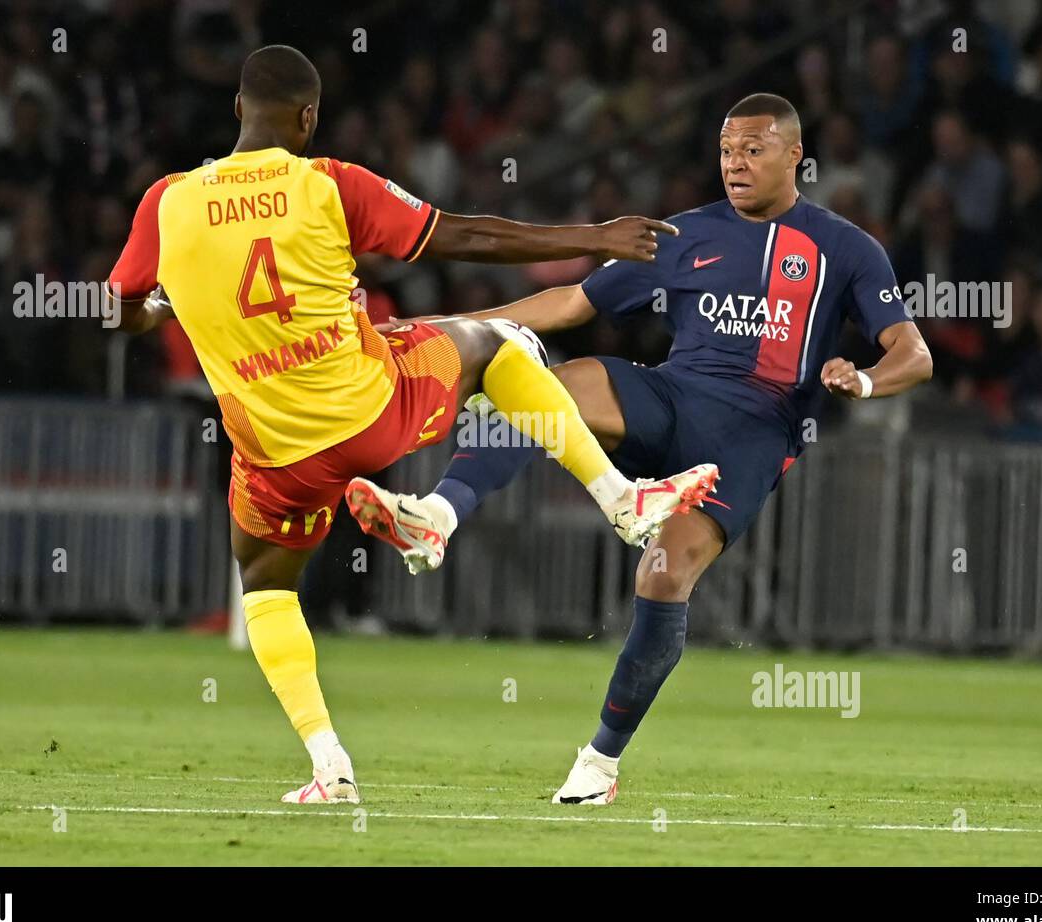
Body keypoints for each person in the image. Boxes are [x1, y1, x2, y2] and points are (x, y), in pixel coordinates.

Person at [103, 46, 715, 804]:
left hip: (273, 450)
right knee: (503, 343)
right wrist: (593, 236)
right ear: (309, 118)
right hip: (370, 414)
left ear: (236, 110)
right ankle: (617, 499)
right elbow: (467, 236)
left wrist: (157, 309)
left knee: (264, 583)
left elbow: (117, 307)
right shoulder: (331, 184)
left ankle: (330, 766)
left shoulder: (167, 201)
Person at [353, 93, 933, 804]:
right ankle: (437, 516)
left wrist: (867, 381)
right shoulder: (684, 233)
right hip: (669, 398)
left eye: (753, 149)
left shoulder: (845, 248)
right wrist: (440, 326)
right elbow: (570, 304)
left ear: (794, 157)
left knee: (662, 577)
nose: (735, 163)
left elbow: (914, 351)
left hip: (751, 433)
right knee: (535, 385)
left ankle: (599, 762)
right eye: (726, 151)